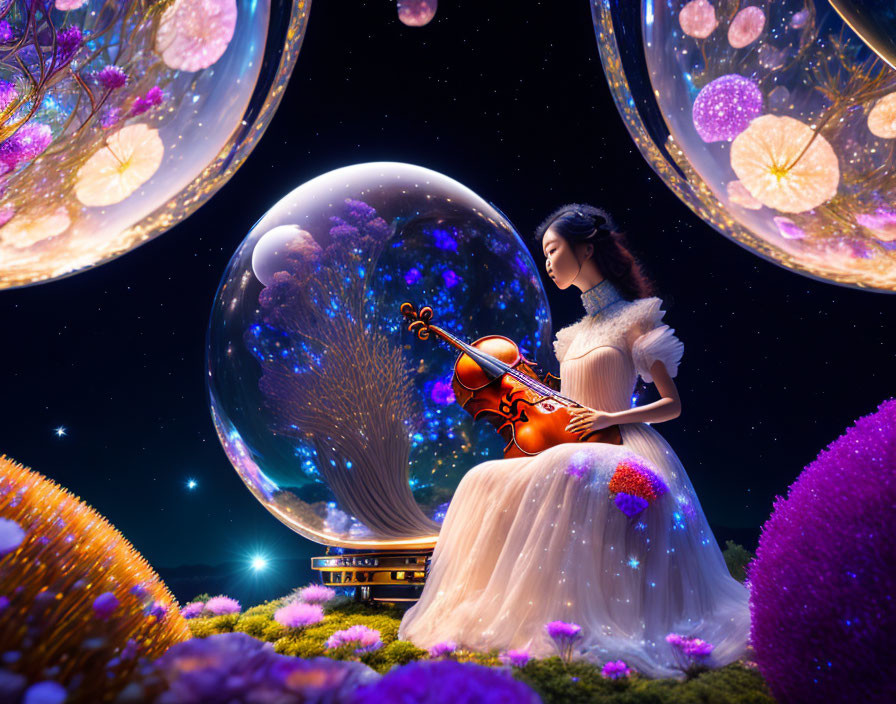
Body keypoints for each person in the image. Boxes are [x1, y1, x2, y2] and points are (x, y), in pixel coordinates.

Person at [397, 204, 752, 678]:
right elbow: (562, 405)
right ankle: (513, 607)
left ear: (585, 247)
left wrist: (611, 414)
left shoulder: (635, 318)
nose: (547, 261)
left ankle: (590, 618)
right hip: (574, 443)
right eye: (544, 253)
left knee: (561, 467)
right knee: (483, 476)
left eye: (553, 249)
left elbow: (672, 405)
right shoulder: (573, 335)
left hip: (621, 443)